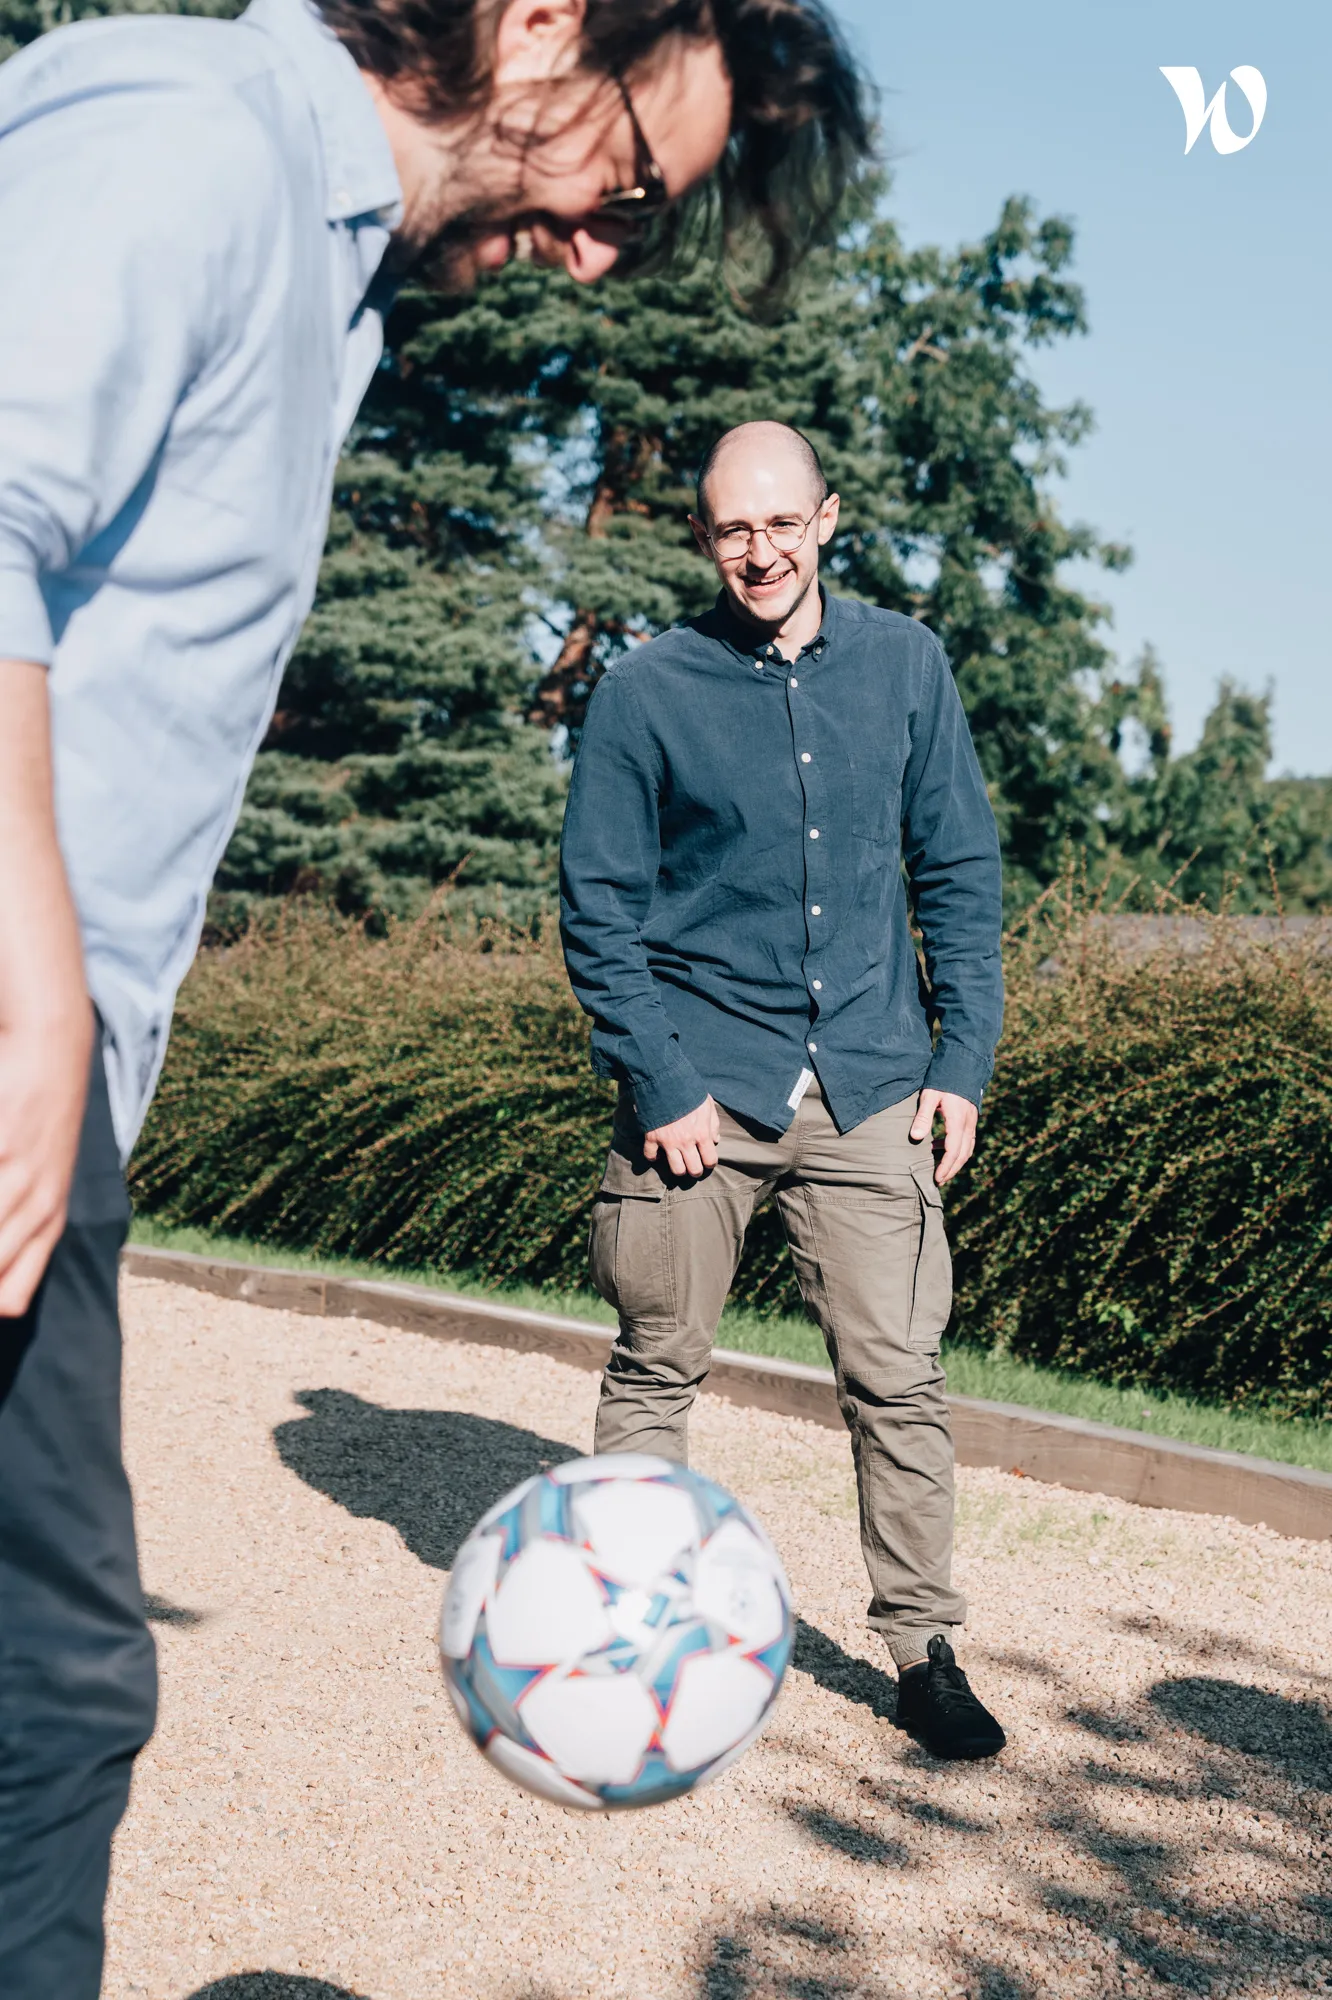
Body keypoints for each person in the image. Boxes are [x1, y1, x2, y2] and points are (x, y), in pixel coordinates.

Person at [0, 4, 873, 1990]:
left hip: (56, 1071)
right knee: (45, 1711)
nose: (598, 248)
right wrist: (40, 993)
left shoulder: (339, 289)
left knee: (43, 1695)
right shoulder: (196, 137)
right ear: (542, 21)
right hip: (8, 1039)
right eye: (629, 187)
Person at [560, 419, 1007, 1763]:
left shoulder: (907, 667)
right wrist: (660, 1075)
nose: (758, 549)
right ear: (705, 540)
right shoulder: (649, 689)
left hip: (872, 1077)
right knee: (656, 1363)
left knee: (900, 1375)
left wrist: (961, 1061)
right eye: (730, 529)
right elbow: (598, 908)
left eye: (780, 523)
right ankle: (632, 1637)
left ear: (826, 520)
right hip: (702, 1084)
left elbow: (959, 879)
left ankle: (925, 1653)